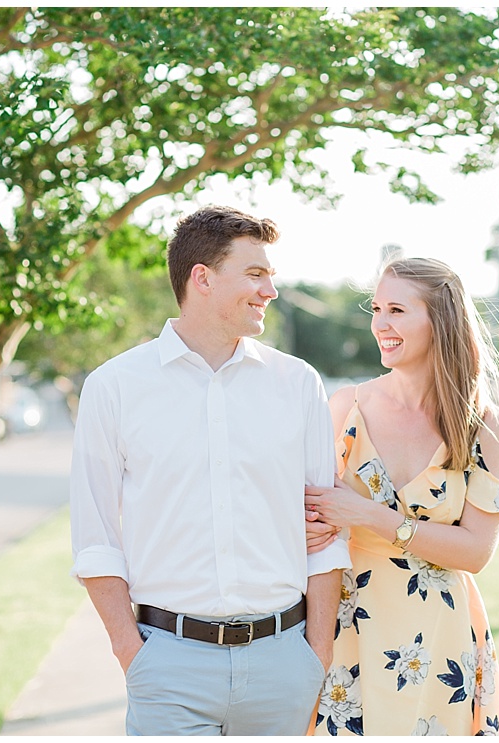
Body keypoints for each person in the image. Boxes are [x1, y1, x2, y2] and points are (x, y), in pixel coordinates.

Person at [69, 206, 351, 735]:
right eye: (255, 274)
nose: (270, 290)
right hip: (167, 667)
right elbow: (95, 539)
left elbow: (325, 532)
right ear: (202, 277)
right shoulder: (114, 387)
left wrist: (317, 652)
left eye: (270, 275)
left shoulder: (298, 384)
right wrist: (132, 654)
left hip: (283, 665)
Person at [303, 257, 499, 736]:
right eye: (377, 309)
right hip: (348, 623)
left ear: (439, 320)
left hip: (438, 634)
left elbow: (475, 552)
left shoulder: (483, 427)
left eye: (398, 311)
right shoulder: (345, 409)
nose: (380, 324)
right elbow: (305, 518)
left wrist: (366, 514)